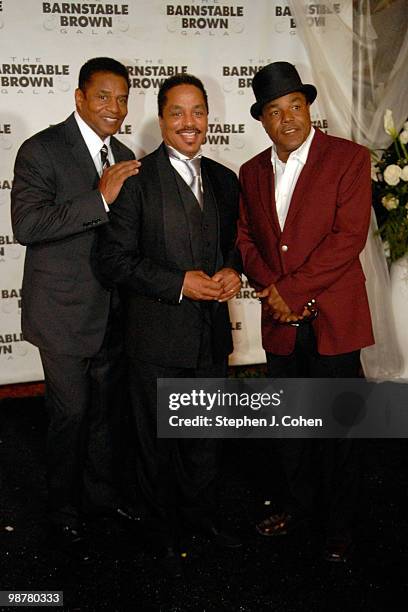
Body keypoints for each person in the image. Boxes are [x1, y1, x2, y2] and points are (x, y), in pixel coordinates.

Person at [97, 73, 242, 575]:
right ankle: (161, 530)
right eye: (178, 113)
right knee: (155, 443)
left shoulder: (226, 179)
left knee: (204, 440)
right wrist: (179, 283)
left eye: (198, 111)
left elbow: (233, 249)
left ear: (208, 117)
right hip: (155, 340)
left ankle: (201, 518)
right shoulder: (135, 178)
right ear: (161, 119)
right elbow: (113, 260)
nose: (189, 123)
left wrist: (232, 271)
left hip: (210, 339)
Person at [237, 61, 374, 562]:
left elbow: (348, 238)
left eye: (295, 106)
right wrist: (274, 289)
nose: (288, 118)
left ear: (308, 107)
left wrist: (289, 291)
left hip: (335, 319)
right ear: (263, 120)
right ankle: (298, 507)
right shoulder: (250, 172)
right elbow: (245, 239)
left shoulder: (349, 159)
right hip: (280, 322)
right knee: (291, 427)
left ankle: (339, 524)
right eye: (275, 111)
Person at [11, 57, 141, 558]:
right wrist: (100, 198)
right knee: (72, 414)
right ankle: (62, 511)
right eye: (104, 96)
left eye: (123, 98)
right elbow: (28, 225)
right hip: (62, 313)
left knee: (107, 414)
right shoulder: (41, 150)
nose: (115, 107)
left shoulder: (126, 153)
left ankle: (101, 499)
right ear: (80, 97)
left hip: (112, 312)